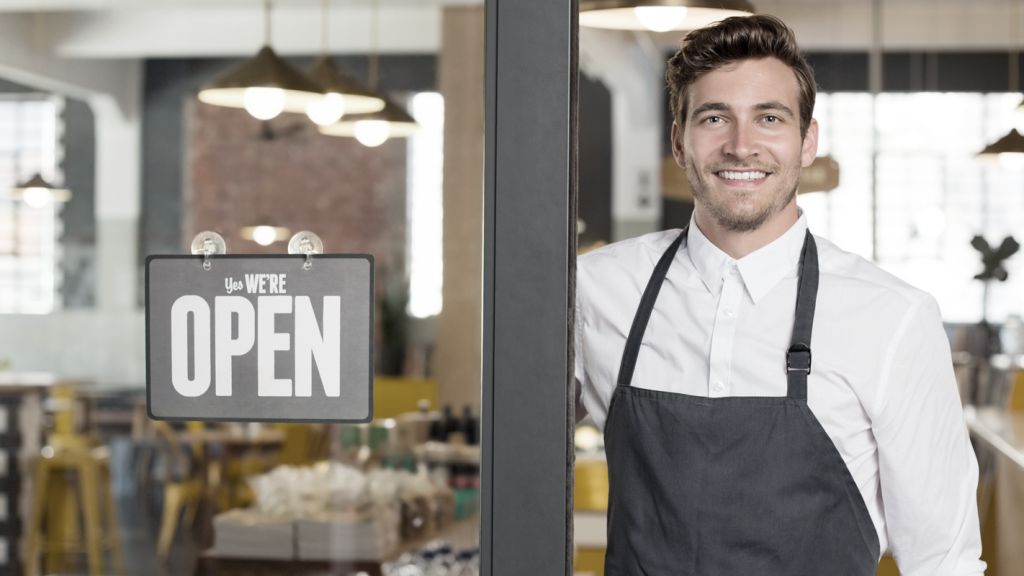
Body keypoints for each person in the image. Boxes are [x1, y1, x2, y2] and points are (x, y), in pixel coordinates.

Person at [574, 14, 985, 575]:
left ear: (806, 139)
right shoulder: (596, 290)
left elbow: (943, 561)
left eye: (769, 117)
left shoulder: (893, 318)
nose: (741, 146)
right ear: (679, 141)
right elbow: (520, 457)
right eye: (714, 117)